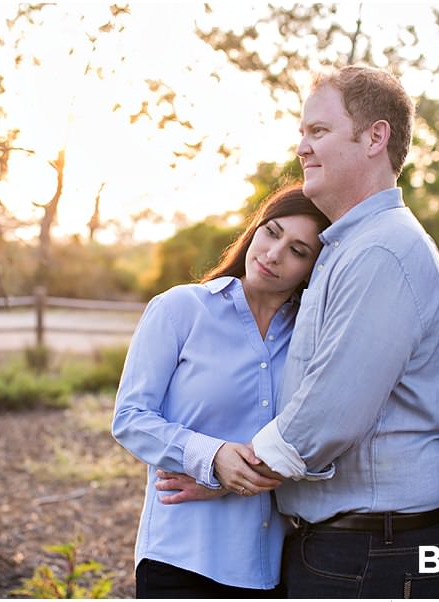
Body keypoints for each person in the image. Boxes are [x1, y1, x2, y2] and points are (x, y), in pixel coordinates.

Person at [166, 65, 439, 598]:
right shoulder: (347, 248)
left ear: (376, 137)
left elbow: (328, 417)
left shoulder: (382, 251)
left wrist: (230, 469)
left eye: (318, 131)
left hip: (375, 554)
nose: (302, 147)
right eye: (302, 133)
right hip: (352, 549)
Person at [111, 185, 331, 598]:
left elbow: (315, 442)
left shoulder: (311, 339)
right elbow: (130, 419)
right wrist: (210, 457)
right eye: (271, 232)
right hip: (180, 559)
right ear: (255, 229)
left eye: (298, 250)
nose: (273, 253)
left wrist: (231, 478)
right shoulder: (180, 309)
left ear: (313, 268)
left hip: (272, 566)